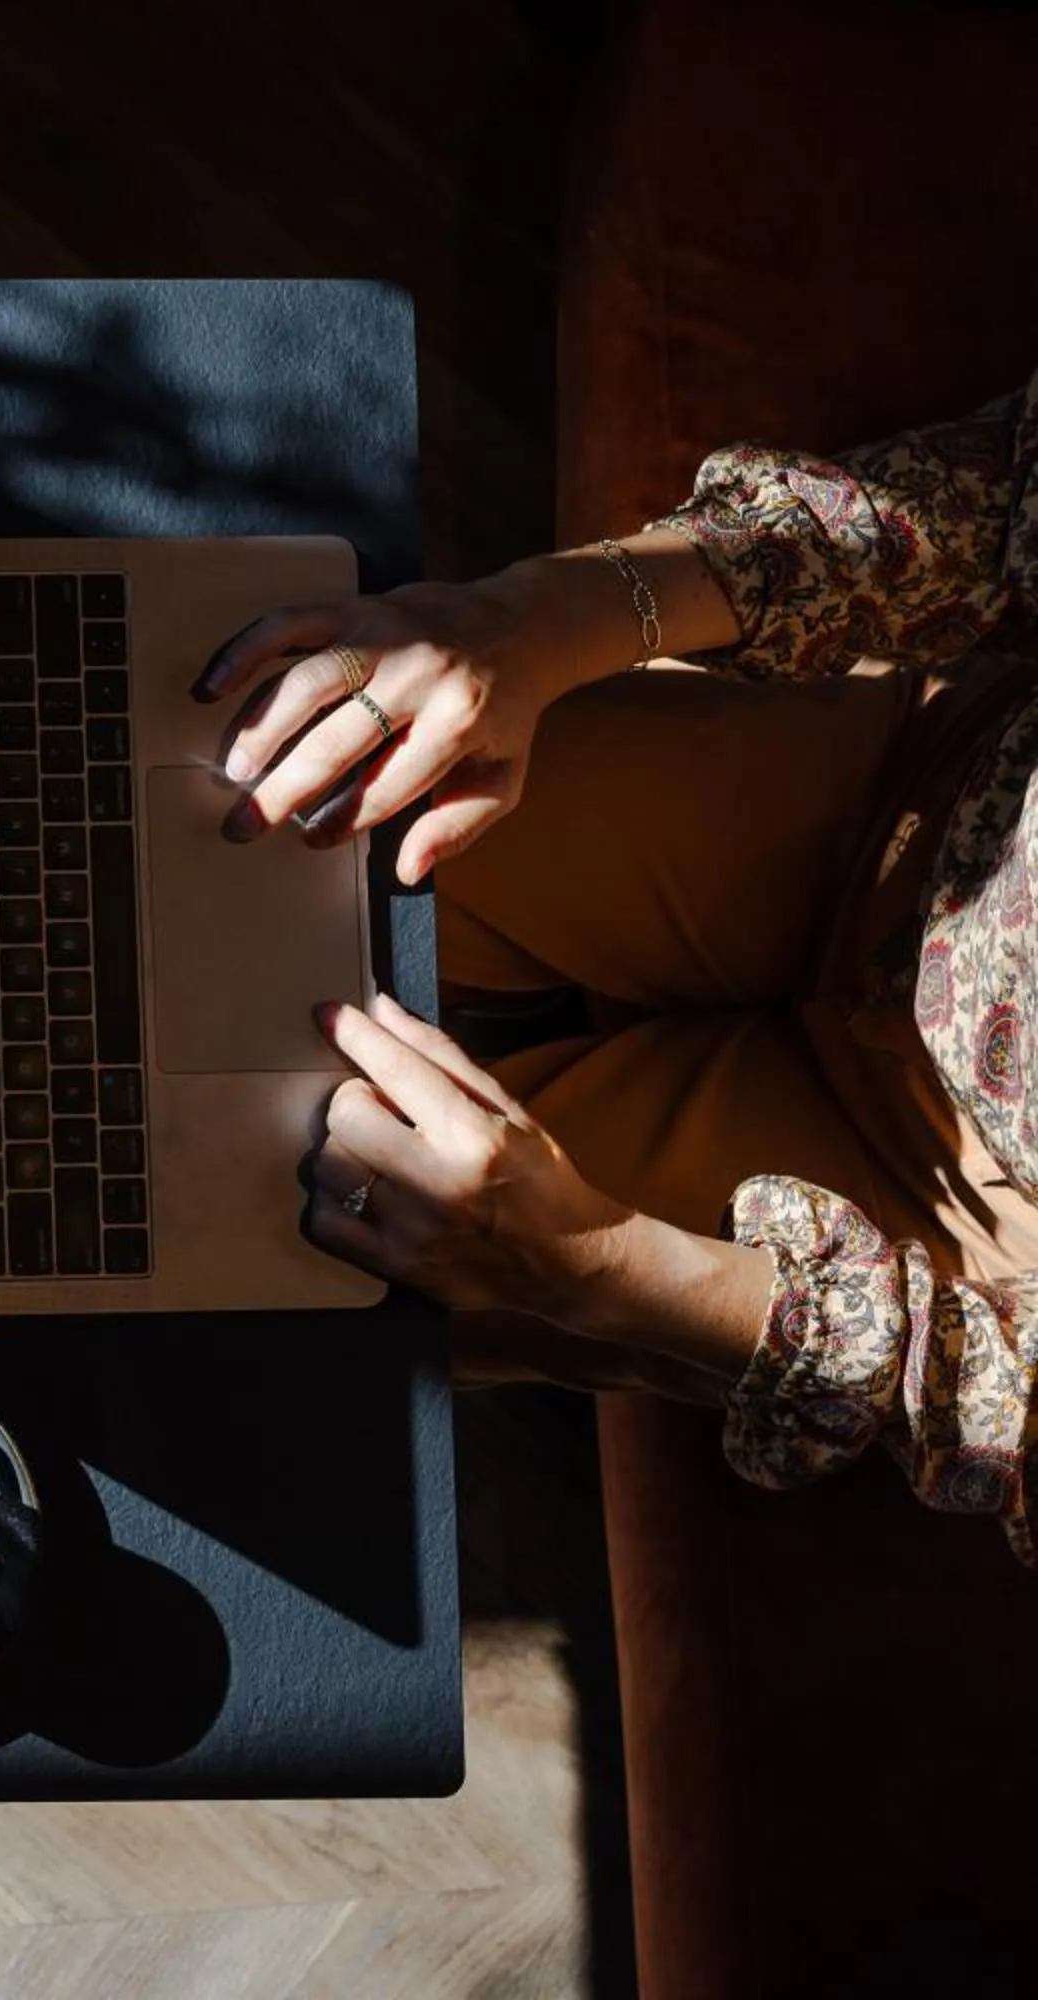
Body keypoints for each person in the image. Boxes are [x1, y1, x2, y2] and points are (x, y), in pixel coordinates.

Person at [202, 367, 1038, 1562]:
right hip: (912, 777)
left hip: (946, 1211)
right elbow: (1008, 501)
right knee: (245, 811)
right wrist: (546, 617)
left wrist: (591, 1268)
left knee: (254, 1253)